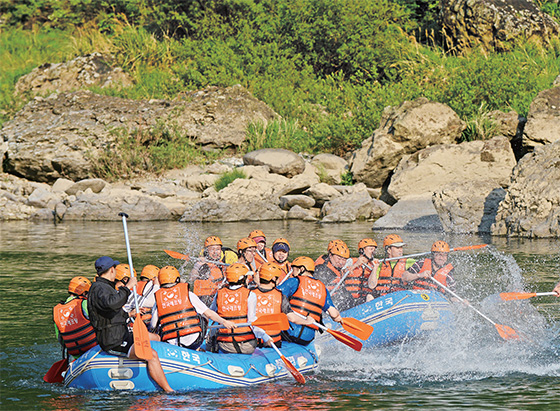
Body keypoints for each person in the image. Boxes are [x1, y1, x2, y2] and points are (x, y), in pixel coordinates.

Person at [88, 256, 173, 392]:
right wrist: (127, 288)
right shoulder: (100, 288)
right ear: (111, 270)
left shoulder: (102, 287)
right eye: (115, 269)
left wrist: (129, 314)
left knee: (155, 337)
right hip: (113, 340)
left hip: (120, 333)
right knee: (152, 355)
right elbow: (112, 303)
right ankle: (169, 390)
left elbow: (109, 313)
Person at [150, 266, 235, 350]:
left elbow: (153, 325)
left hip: (170, 342)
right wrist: (224, 321)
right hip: (192, 342)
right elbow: (209, 314)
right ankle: (198, 349)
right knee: (203, 316)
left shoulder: (157, 299)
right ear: (177, 279)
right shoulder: (188, 294)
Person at [277, 256, 343, 346]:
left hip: (287, 333)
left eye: (294, 269)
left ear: (302, 269)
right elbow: (334, 314)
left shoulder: (293, 281)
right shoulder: (323, 288)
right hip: (307, 338)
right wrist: (338, 318)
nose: (292, 272)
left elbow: (274, 295)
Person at [211, 263, 270, 354]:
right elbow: (252, 321)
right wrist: (266, 337)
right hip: (246, 345)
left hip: (225, 344)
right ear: (242, 279)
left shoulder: (219, 293)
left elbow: (212, 314)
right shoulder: (250, 294)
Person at [251, 262, 309, 347]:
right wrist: (307, 321)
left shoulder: (249, 293)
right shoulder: (280, 296)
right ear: (273, 278)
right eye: (277, 278)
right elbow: (292, 318)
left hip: (252, 342)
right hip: (273, 342)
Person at [53, 276, 98, 359]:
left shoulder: (57, 310)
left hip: (75, 354)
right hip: (94, 349)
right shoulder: (84, 303)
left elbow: (59, 338)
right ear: (84, 293)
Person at [368, 234, 415, 299]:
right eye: (397, 248)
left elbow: (424, 264)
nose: (400, 250)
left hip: (400, 297)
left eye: (401, 247)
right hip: (382, 298)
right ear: (388, 250)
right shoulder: (380, 264)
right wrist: (375, 268)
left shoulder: (409, 262)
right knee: (369, 296)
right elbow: (371, 285)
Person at [314, 241, 354, 310]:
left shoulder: (335, 265)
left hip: (338, 301)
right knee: (346, 297)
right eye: (339, 259)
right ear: (330, 255)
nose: (341, 262)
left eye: (344, 260)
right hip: (327, 306)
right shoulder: (323, 270)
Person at [341, 238, 380, 306]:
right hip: (349, 298)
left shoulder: (373, 265)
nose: (373, 252)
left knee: (370, 297)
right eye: (371, 249)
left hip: (364, 300)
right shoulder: (351, 261)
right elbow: (341, 276)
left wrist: (375, 268)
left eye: (374, 249)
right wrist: (356, 265)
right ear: (362, 250)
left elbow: (372, 285)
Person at [191, 236, 227, 305]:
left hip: (217, 297)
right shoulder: (202, 264)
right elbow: (191, 278)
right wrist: (198, 265)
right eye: (212, 249)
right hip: (204, 300)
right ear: (207, 251)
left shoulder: (222, 264)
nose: (215, 252)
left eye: (218, 249)